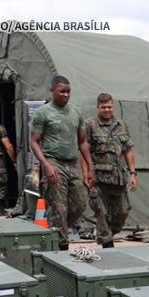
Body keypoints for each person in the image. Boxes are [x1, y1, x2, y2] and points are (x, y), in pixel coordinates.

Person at [30, 75, 95, 250]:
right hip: (54, 163)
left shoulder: (76, 112)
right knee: (59, 207)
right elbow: (34, 142)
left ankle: (56, 230)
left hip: (72, 164)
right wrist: (46, 165)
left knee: (80, 204)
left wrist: (90, 167)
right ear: (52, 90)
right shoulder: (43, 113)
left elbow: (82, 142)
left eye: (68, 92)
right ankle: (61, 247)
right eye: (62, 91)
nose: (66, 95)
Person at [80, 93, 137, 248]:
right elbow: (83, 151)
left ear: (113, 106)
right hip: (99, 179)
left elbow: (128, 150)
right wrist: (86, 175)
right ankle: (107, 245)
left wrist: (133, 173)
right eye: (103, 107)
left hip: (119, 178)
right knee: (101, 213)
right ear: (98, 107)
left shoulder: (121, 124)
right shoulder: (90, 125)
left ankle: (108, 234)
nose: (107, 110)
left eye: (109, 107)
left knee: (122, 212)